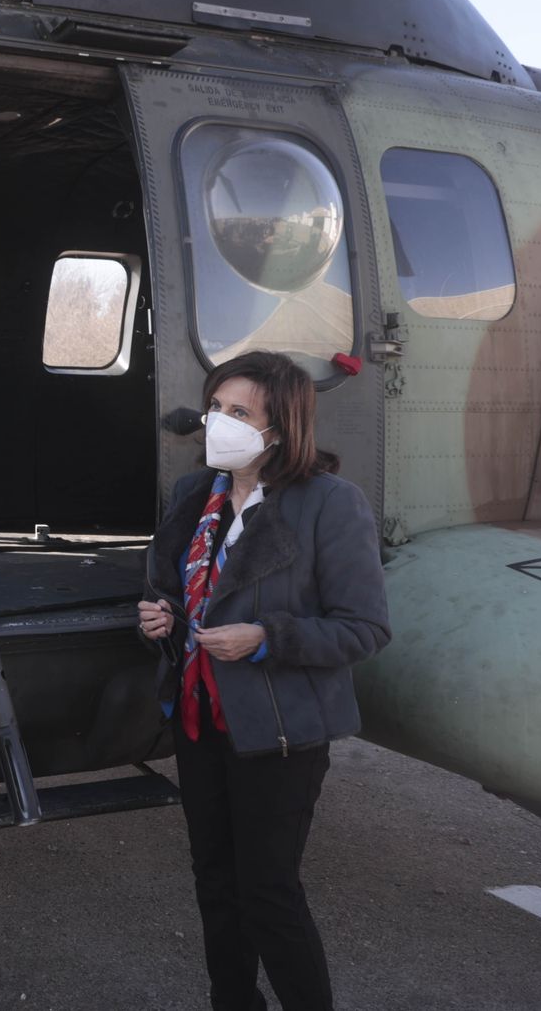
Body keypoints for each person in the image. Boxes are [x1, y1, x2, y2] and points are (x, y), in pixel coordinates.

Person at [138, 350, 389, 1011]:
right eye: (215, 407)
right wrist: (162, 614)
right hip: (198, 721)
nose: (218, 422)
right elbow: (180, 588)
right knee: (215, 883)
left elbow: (364, 627)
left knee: (268, 893)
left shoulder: (330, 504)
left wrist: (266, 637)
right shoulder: (195, 494)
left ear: (279, 429)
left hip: (278, 733)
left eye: (238, 412)